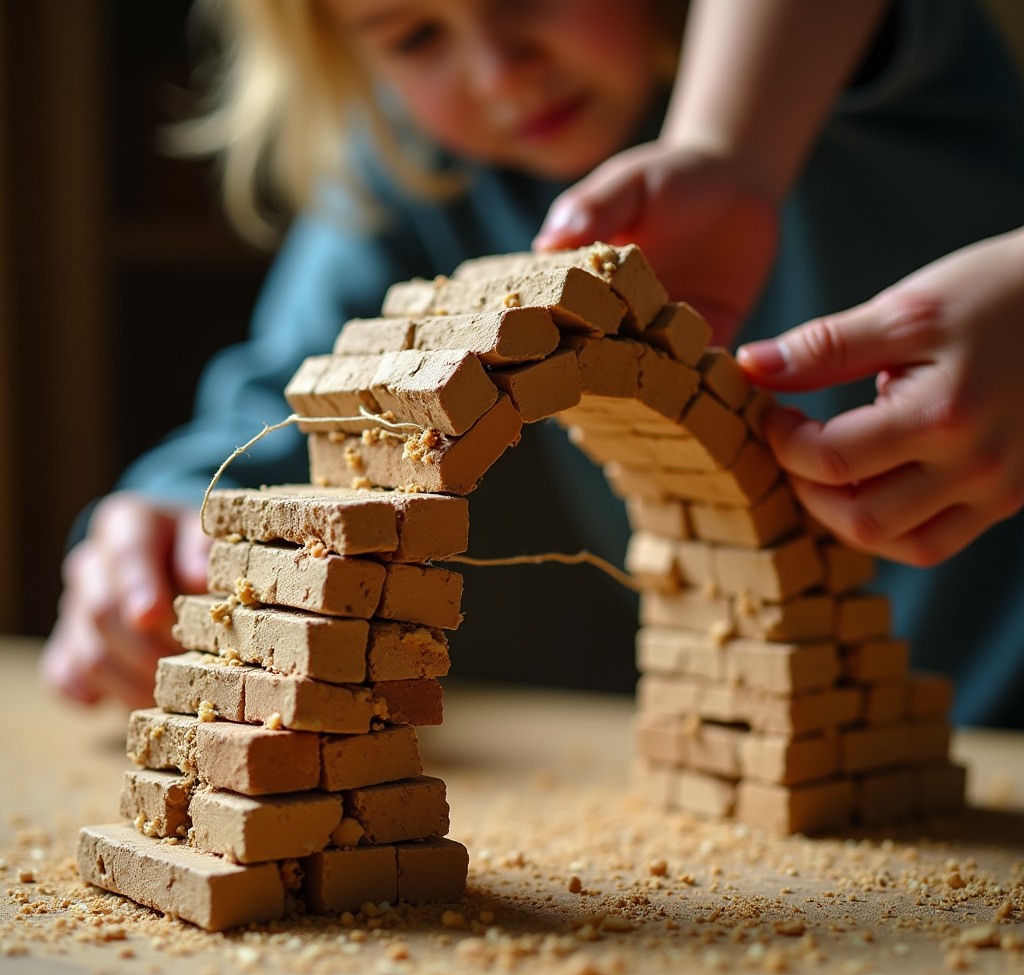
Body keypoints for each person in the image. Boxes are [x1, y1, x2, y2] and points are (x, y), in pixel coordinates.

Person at [41, 0, 1024, 731]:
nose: (499, 69)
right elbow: (292, 400)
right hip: (774, 733)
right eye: (412, 35)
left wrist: (725, 148)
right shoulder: (406, 168)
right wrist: (173, 512)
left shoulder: (831, 52)